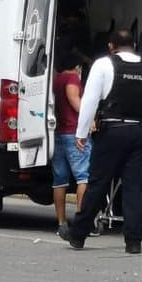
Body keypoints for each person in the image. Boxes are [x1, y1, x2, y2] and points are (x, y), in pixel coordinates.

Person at [67, 29, 142, 254]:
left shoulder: (103, 65)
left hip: (111, 131)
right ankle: (133, 241)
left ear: (111, 46)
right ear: (133, 45)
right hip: (138, 133)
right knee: (133, 186)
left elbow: (90, 101)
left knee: (98, 184)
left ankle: (78, 234)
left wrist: (81, 133)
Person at [51, 50, 89, 241]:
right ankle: (82, 222)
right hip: (74, 132)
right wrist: (89, 118)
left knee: (60, 180)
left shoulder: (56, 79)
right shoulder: (73, 77)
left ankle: (61, 222)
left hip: (58, 132)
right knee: (84, 177)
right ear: (77, 66)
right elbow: (75, 100)